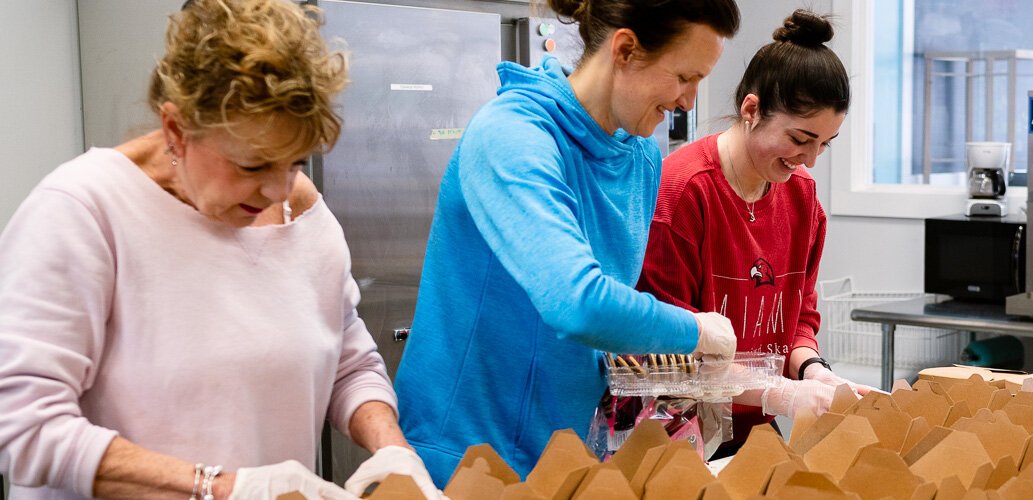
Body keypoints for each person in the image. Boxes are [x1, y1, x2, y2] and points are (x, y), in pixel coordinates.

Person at [0, 1, 439, 498]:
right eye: (253, 166)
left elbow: (348, 364)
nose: (278, 189)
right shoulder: (85, 213)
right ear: (176, 131)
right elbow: (22, 427)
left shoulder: (304, 215)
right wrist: (221, 487)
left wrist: (391, 449)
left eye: (294, 161)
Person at [393, 0, 742, 483]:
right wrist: (694, 330)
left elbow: (596, 322)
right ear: (625, 50)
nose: (689, 100)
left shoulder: (640, 155)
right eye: (684, 77)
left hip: (562, 455)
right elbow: (577, 302)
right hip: (463, 458)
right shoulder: (513, 137)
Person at [636, 9, 868, 460]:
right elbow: (664, 356)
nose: (810, 160)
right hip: (674, 436)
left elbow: (799, 317)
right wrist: (778, 394)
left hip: (753, 434)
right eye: (801, 139)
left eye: (824, 144)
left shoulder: (802, 200)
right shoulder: (682, 195)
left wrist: (812, 371)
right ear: (751, 110)